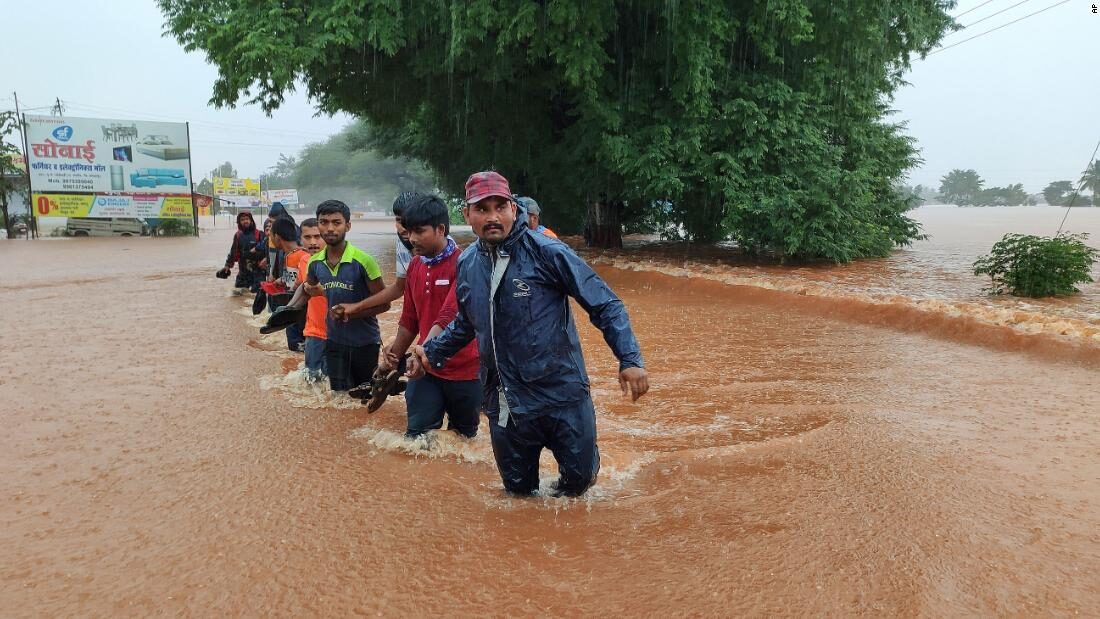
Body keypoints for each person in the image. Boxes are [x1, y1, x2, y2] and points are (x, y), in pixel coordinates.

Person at [410, 171, 649, 497]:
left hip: (562, 395)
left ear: (513, 208)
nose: (492, 217)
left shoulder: (548, 252)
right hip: (505, 402)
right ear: (467, 214)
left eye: (500, 207)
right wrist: (432, 352)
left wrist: (629, 359)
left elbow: (605, 304)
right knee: (518, 496)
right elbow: (468, 323)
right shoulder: (467, 263)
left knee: (579, 485)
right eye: (482, 209)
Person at [377, 194, 480, 438]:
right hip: (426, 371)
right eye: (408, 231)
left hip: (467, 370)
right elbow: (409, 320)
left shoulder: (467, 262)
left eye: (419, 231)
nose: (411, 239)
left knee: (464, 440)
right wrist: (390, 361)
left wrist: (420, 352)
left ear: (440, 229)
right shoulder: (415, 265)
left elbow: (447, 315)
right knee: (416, 438)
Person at [303, 200, 389, 393]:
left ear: (348, 226)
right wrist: (287, 311)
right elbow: (307, 288)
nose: (330, 228)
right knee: (339, 399)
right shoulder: (315, 262)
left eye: (336, 222)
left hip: (365, 342)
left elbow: (385, 304)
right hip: (333, 341)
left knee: (364, 397)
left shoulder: (364, 261)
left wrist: (353, 312)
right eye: (324, 222)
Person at [269, 217, 310, 352]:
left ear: (277, 236)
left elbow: (305, 281)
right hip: (293, 307)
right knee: (294, 346)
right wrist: (280, 281)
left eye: (271, 235)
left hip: (302, 309)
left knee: (298, 345)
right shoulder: (289, 255)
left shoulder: (303, 255)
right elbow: (293, 278)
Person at [297, 218, 328, 382]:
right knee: (312, 381)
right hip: (313, 332)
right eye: (307, 237)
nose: (313, 242)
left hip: (339, 334)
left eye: (317, 236)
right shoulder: (303, 261)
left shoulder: (341, 262)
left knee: (337, 387)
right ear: (300, 239)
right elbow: (301, 290)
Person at [219, 211, 265, 291]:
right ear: (239, 222)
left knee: (258, 293)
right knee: (237, 294)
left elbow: (266, 250)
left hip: (258, 271)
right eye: (242, 220)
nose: (245, 221)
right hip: (243, 271)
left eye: (247, 219)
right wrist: (227, 265)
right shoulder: (238, 235)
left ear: (251, 220)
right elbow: (233, 252)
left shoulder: (259, 234)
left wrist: (265, 260)